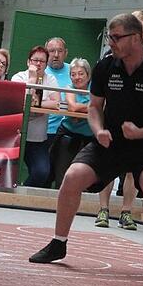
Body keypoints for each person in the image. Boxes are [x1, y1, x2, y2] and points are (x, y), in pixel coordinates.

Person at [29, 13, 143, 280]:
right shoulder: (106, 66)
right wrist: (98, 130)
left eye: (117, 37)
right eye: (110, 37)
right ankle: (58, 243)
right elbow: (94, 107)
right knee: (72, 177)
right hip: (110, 140)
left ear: (136, 38)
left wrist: (141, 132)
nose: (111, 42)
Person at [97, 11, 143, 229]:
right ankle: (103, 209)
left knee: (132, 171)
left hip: (142, 127)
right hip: (114, 121)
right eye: (138, 25)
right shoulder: (111, 56)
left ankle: (126, 211)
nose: (142, 30)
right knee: (107, 165)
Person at [11, 46, 59, 188]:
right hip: (16, 136)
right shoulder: (19, 77)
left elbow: (56, 103)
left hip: (37, 139)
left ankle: (23, 192)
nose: (38, 64)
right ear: (28, 62)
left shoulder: (50, 79)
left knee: (41, 172)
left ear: (46, 64)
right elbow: (20, 101)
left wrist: (36, 104)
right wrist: (32, 79)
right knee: (10, 171)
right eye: (35, 60)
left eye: (42, 61)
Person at [50, 58, 94, 188]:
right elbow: (73, 107)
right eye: (73, 74)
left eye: (81, 74)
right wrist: (89, 107)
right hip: (68, 132)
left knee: (85, 176)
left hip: (90, 137)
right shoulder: (69, 88)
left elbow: (101, 106)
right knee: (61, 173)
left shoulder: (95, 88)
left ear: (88, 75)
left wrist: (85, 109)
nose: (77, 77)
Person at [43, 37, 71, 187]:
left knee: (63, 175)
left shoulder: (74, 71)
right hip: (45, 130)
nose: (55, 55)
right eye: (51, 51)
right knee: (45, 173)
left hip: (68, 130)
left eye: (59, 51)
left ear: (65, 53)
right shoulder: (42, 71)